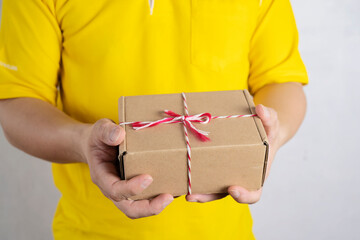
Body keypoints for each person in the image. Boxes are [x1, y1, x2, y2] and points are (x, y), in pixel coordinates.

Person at [0, 0, 308, 239]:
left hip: (227, 233)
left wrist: (270, 138)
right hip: (91, 233)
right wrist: (82, 142)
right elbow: (17, 101)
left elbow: (281, 82)